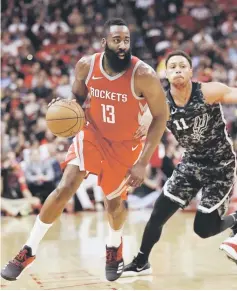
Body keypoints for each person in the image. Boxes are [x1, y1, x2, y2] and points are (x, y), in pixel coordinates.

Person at [1, 18, 168, 282]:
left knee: (114, 204)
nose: (123, 45)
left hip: (125, 144)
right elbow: (77, 98)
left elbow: (161, 115)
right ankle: (28, 249)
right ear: (105, 42)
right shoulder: (86, 66)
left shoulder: (143, 74)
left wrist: (143, 161)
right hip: (92, 132)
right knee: (65, 186)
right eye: (116, 40)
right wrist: (65, 107)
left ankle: (114, 247)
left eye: (126, 40)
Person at [122, 50, 237, 276]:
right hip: (191, 164)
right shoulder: (160, 105)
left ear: (190, 71)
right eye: (172, 66)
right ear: (166, 73)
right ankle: (141, 261)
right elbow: (138, 131)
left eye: (182, 66)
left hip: (220, 166)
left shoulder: (207, 91)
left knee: (203, 229)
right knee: (158, 213)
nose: (177, 69)